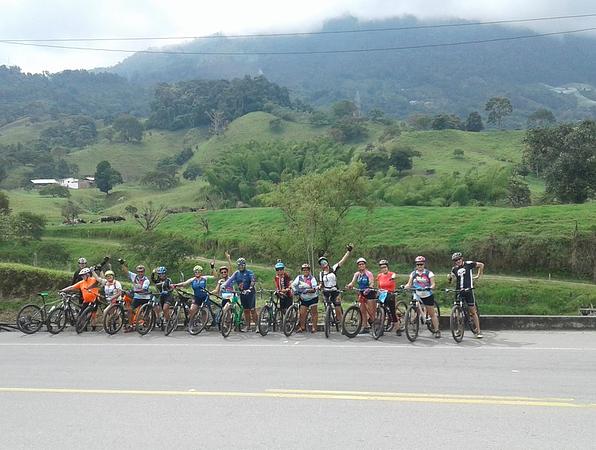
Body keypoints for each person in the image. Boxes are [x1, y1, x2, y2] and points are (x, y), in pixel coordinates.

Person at [448, 252, 485, 339]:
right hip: (459, 291)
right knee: (457, 311)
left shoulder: (469, 264)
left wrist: (478, 275)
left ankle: (478, 331)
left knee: (472, 311)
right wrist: (449, 279)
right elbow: (452, 279)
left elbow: (481, 265)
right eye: (455, 260)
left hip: (468, 290)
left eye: (459, 259)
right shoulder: (454, 269)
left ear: (462, 259)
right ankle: (458, 329)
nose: (457, 261)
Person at [404, 256, 439, 338]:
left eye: (421, 264)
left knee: (432, 313)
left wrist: (430, 287)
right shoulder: (413, 273)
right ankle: (414, 322)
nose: (420, 266)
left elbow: (433, 284)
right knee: (414, 307)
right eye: (418, 264)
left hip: (427, 294)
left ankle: (437, 330)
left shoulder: (429, 273)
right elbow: (409, 284)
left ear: (424, 264)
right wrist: (405, 286)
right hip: (417, 294)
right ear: (416, 265)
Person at [318, 244, 353, 324]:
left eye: (324, 262)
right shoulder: (321, 273)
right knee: (327, 306)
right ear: (321, 266)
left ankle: (341, 324)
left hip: (335, 291)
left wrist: (348, 251)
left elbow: (342, 261)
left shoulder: (333, 268)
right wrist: (319, 286)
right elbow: (321, 283)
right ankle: (329, 319)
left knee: (337, 307)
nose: (323, 263)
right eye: (321, 263)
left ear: (327, 262)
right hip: (326, 292)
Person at [223, 257, 257, 331]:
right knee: (246, 310)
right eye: (239, 265)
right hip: (242, 293)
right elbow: (230, 280)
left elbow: (253, 280)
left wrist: (250, 288)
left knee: (252, 309)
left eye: (242, 265)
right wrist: (224, 285)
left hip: (250, 293)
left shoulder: (249, 272)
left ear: (245, 265)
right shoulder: (236, 273)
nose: (241, 266)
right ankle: (248, 326)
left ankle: (257, 326)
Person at [346, 257, 376, 333]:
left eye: (362, 264)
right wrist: (349, 285)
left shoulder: (369, 273)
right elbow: (352, 282)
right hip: (361, 293)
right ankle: (365, 327)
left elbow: (372, 283)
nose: (361, 265)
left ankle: (375, 324)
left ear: (365, 265)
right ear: (358, 266)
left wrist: (369, 288)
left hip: (370, 293)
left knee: (371, 311)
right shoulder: (357, 274)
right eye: (359, 264)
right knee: (362, 311)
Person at [291, 263, 320, 333]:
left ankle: (314, 327)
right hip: (304, 299)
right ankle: (302, 327)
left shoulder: (312, 278)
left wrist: (307, 290)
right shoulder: (299, 277)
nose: (305, 271)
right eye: (304, 270)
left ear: (309, 271)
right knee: (302, 313)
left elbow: (314, 288)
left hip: (313, 298)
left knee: (314, 313)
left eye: (307, 270)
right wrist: (294, 290)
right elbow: (293, 284)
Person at [376, 259, 401, 335]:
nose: (384, 269)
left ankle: (398, 329)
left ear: (387, 267)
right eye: (382, 267)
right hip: (382, 294)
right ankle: (381, 328)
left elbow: (394, 275)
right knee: (380, 310)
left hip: (390, 294)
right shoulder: (379, 276)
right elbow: (378, 286)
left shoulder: (391, 274)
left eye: (385, 267)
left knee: (392, 312)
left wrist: (393, 278)